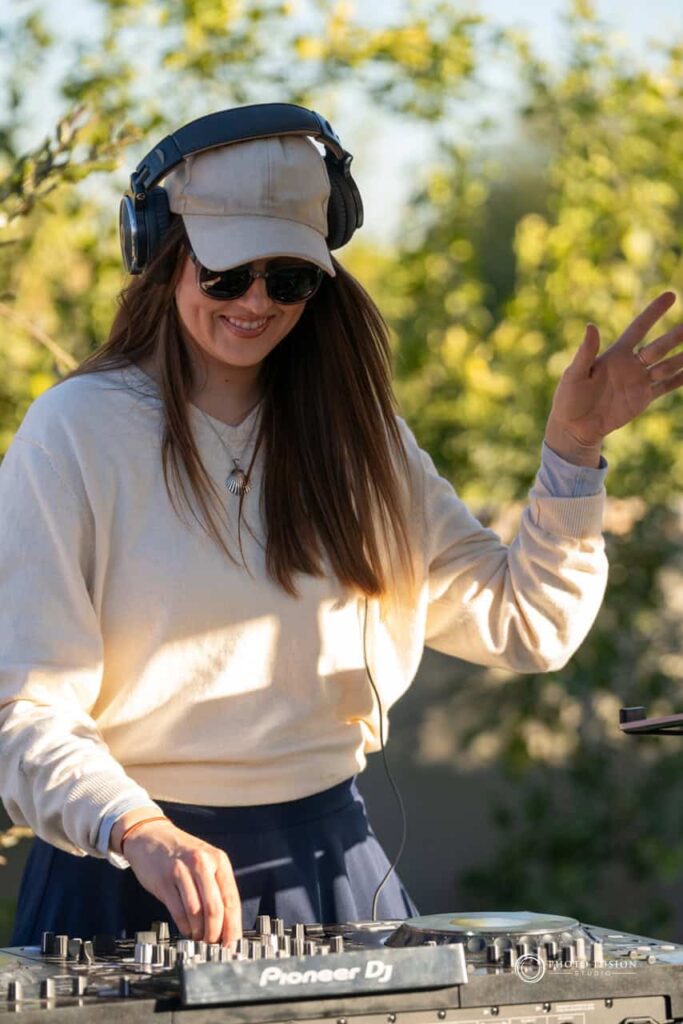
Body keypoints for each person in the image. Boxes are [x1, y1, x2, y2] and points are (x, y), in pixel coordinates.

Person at [1, 103, 682, 950]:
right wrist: (137, 828)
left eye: (287, 278)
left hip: (330, 870)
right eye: (226, 274)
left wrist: (572, 452)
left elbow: (526, 624)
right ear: (162, 255)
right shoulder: (73, 432)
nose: (257, 301)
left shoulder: (363, 438)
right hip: (126, 874)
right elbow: (22, 706)